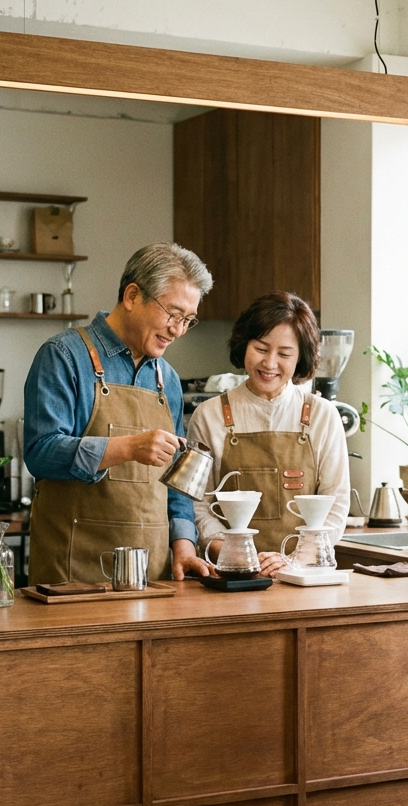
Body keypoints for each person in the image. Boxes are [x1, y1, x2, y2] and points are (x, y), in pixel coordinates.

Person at [24, 242, 215, 585]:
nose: (177, 330)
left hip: (152, 576)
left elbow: (178, 482)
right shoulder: (64, 356)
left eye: (188, 320)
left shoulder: (168, 379)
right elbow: (41, 452)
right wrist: (128, 447)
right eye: (172, 314)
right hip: (72, 573)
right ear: (132, 296)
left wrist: (184, 547)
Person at [186, 291, 350, 575]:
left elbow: (335, 504)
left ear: (300, 358)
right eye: (261, 349)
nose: (270, 363)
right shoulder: (209, 415)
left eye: (284, 354)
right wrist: (236, 555)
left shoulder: (323, 416)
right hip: (233, 575)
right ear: (244, 345)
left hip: (304, 575)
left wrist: (294, 559)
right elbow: (197, 507)